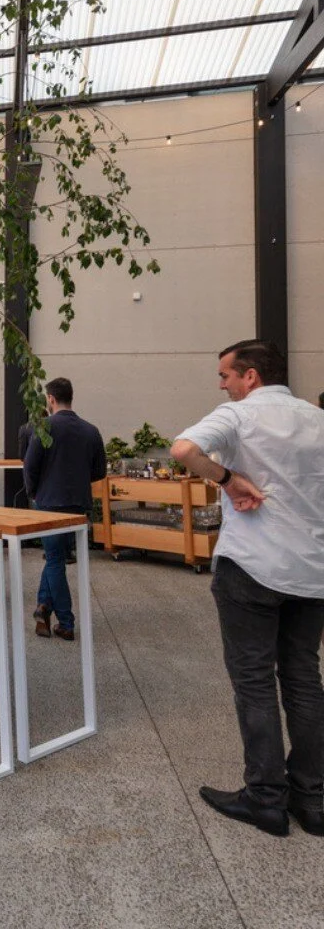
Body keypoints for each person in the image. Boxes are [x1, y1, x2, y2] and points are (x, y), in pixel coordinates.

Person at [172, 339, 324, 838]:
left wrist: (229, 479)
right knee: (304, 680)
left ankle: (265, 798)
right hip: (312, 570)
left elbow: (184, 450)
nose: (222, 385)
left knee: (254, 681)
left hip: (254, 566)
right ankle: (313, 798)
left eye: (226, 376)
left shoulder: (239, 416)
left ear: (251, 376)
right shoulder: (316, 419)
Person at [23, 377, 106, 641]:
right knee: (56, 557)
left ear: (50, 399)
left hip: (49, 503)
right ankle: (43, 607)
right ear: (71, 397)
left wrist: (34, 493)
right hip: (77, 505)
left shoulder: (44, 427)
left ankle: (66, 622)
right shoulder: (91, 430)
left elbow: (30, 466)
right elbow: (99, 471)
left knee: (55, 559)